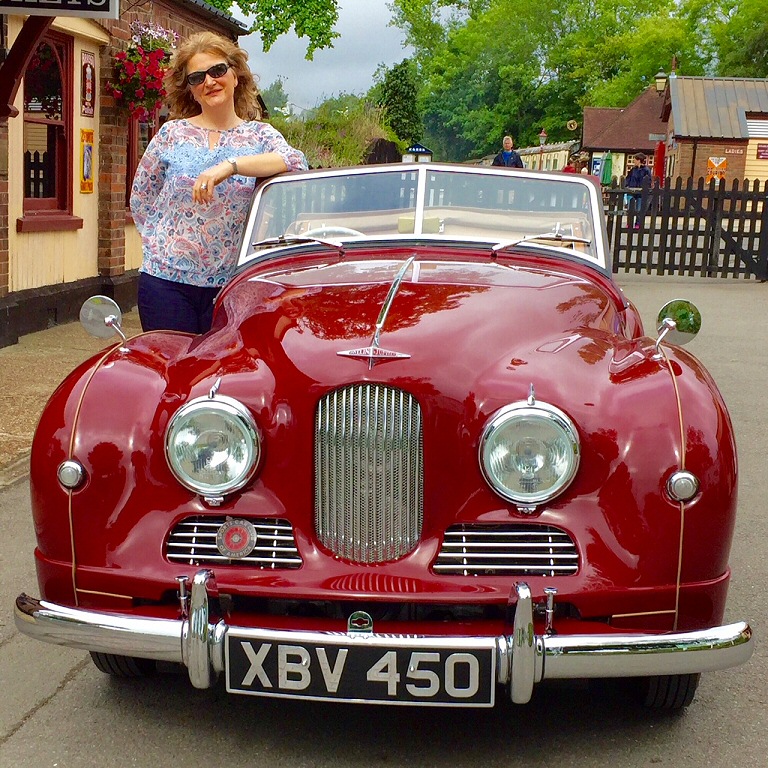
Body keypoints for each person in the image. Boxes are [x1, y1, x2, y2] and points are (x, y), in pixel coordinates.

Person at [130, 31, 308, 334]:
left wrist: (230, 166)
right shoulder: (171, 134)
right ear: (191, 91)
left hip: (230, 284)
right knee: (171, 370)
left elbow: (295, 162)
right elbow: (142, 197)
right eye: (197, 77)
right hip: (166, 283)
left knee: (223, 374)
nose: (209, 81)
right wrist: (160, 245)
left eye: (217, 70)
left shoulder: (259, 136)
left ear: (235, 76)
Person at [625, 153, 652, 230]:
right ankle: (629, 222)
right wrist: (627, 186)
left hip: (640, 192)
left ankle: (638, 223)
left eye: (635, 159)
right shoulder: (633, 169)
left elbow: (648, 180)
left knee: (639, 209)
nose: (634, 161)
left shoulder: (646, 170)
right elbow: (628, 178)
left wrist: (645, 188)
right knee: (630, 208)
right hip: (632, 190)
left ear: (639, 160)